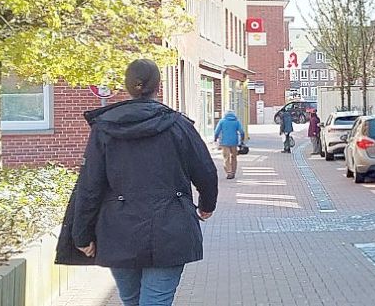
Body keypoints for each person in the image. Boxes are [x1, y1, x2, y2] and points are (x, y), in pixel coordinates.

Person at [69, 59, 218, 306]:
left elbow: (89, 186)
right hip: (171, 229)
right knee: (156, 301)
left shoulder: (104, 129)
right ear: (158, 87)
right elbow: (205, 171)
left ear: (127, 87)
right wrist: (206, 206)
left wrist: (82, 235)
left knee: (131, 300)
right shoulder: (178, 125)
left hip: (119, 231)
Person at [214, 111, 245, 179]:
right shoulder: (237, 121)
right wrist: (242, 140)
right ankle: (233, 172)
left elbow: (217, 131)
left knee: (226, 158)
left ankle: (229, 172)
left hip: (224, 142)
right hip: (234, 142)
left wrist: (215, 138)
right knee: (234, 157)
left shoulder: (222, 121)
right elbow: (242, 131)